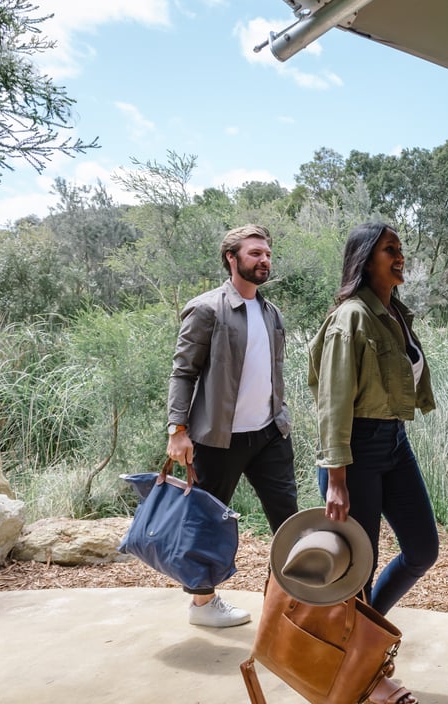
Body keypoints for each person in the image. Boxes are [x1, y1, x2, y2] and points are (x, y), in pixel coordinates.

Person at [166, 224, 299, 628]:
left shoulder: (270, 312)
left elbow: (270, 371)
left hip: (268, 434)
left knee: (288, 518)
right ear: (232, 258)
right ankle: (202, 605)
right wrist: (177, 429)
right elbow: (182, 372)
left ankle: (291, 600)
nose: (264, 260)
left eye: (268, 254)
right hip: (218, 439)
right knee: (209, 521)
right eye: (255, 253)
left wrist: (280, 416)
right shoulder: (207, 309)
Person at [308, 221, 439, 618]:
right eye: (389, 250)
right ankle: (350, 666)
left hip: (394, 442)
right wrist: (336, 479)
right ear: (365, 261)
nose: (400, 257)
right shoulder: (352, 317)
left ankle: (370, 627)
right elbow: (333, 401)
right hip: (356, 450)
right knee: (357, 569)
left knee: (421, 550)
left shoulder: (394, 313)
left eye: (400, 249)